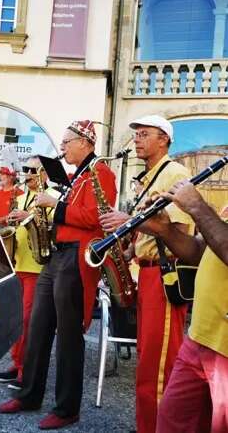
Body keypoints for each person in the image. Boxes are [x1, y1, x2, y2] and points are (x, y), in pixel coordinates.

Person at [0, 120, 117, 429]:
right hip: (56, 255)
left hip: (75, 257)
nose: (61, 147)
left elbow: (96, 218)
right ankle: (29, 394)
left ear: (85, 143)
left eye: (67, 142)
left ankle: (66, 409)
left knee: (68, 336)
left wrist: (55, 206)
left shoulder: (100, 173)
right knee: (37, 327)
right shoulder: (77, 176)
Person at [100, 115, 194, 433]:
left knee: (159, 367)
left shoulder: (176, 173)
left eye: (144, 134)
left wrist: (128, 220)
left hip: (164, 276)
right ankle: (147, 425)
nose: (137, 139)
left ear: (163, 139)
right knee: (147, 360)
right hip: (148, 273)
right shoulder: (150, 176)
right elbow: (150, 232)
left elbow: (178, 231)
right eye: (136, 134)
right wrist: (126, 252)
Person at [139, 180, 228, 433]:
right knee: (171, 420)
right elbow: (199, 251)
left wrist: (198, 207)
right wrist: (165, 230)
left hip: (225, 348)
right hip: (200, 336)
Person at [0, 156, 54, 388]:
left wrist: (26, 216)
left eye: (32, 170)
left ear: (44, 174)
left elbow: (50, 225)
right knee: (15, 319)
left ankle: (25, 372)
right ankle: (17, 364)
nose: (27, 173)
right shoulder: (21, 196)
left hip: (38, 267)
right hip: (18, 263)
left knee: (28, 321)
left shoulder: (53, 195)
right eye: (25, 169)